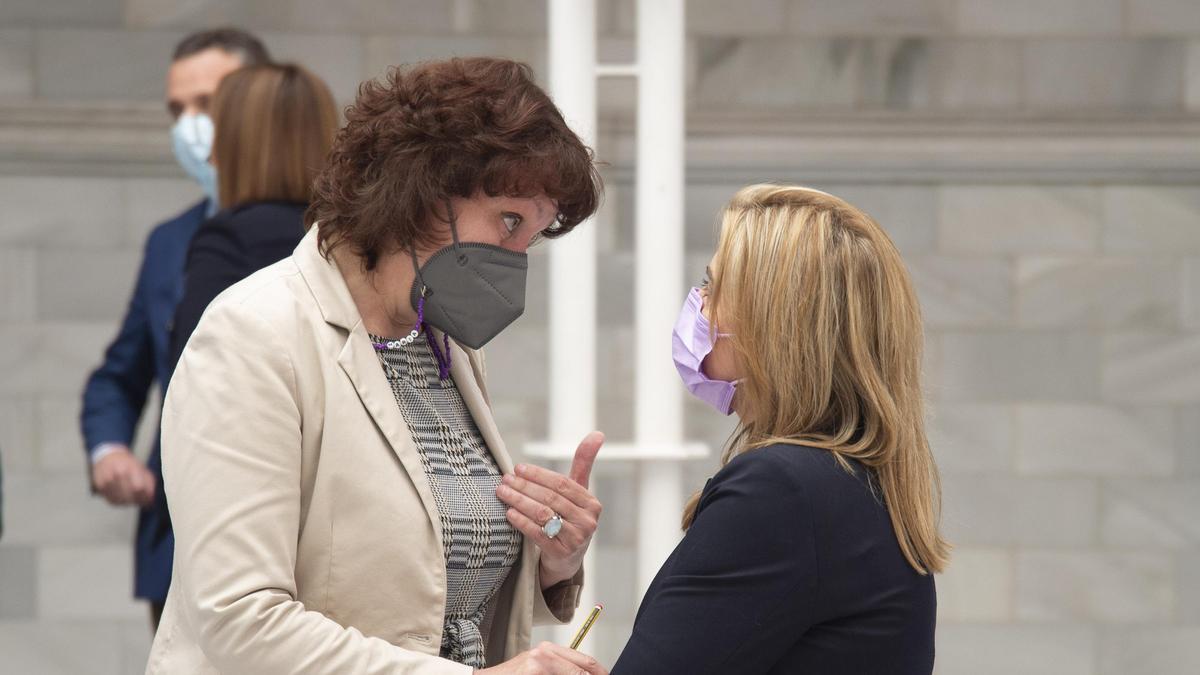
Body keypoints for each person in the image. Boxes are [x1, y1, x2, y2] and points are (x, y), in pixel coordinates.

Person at [146, 58, 608, 675]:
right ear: (423, 190)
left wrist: (555, 559)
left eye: (534, 234)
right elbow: (239, 617)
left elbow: (434, 595)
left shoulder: (445, 343)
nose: (518, 257)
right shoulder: (253, 333)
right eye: (509, 221)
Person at [611, 185, 950, 674]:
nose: (699, 304)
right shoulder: (852, 480)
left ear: (768, 324)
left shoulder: (780, 490)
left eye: (713, 286)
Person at [78, 27, 270, 630]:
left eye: (208, 104)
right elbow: (121, 372)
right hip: (178, 545)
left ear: (258, 104)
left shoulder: (327, 231)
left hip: (283, 541)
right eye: (177, 110)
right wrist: (109, 451)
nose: (191, 125)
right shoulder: (170, 240)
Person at [168, 62, 339, 370]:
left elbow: (195, 375)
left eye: (220, 132)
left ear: (239, 145)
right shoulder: (349, 236)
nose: (210, 155)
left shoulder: (229, 240)